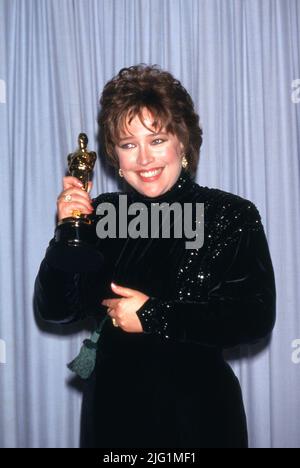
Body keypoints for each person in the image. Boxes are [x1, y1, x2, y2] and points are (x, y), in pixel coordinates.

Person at [34, 64, 276, 448]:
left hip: (198, 418)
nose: (144, 159)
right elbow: (57, 308)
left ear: (183, 142)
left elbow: (254, 317)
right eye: (129, 144)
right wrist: (69, 231)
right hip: (112, 417)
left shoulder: (229, 213)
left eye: (157, 140)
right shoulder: (102, 214)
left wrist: (151, 315)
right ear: (115, 155)